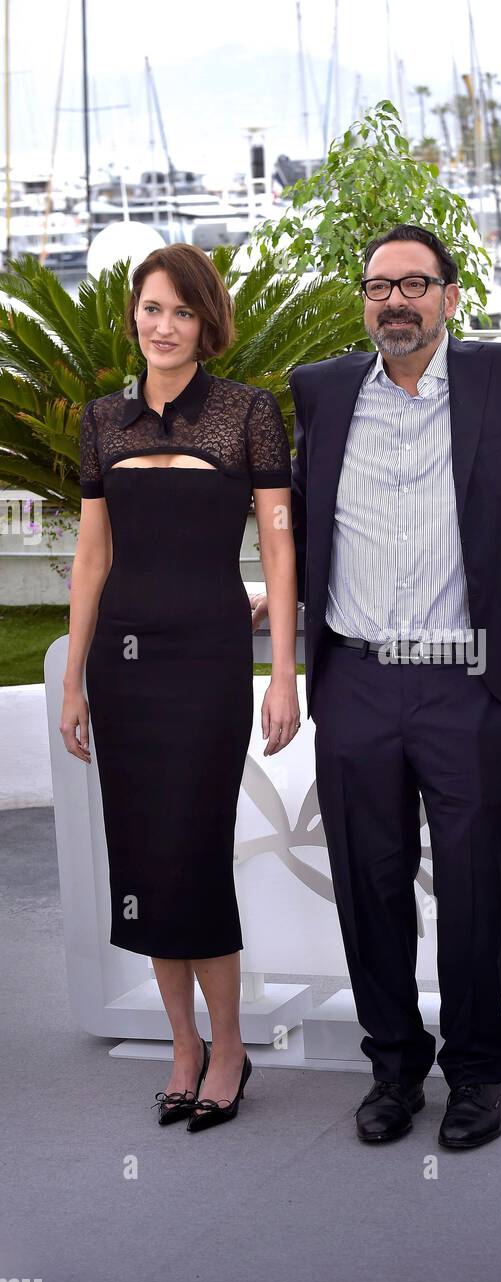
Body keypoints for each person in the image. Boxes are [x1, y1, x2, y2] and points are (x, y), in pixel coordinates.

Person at [251, 223, 501, 1148]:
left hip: (469, 683)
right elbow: (296, 523)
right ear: (364, 299)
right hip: (354, 681)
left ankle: (476, 1073)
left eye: (415, 284)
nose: (396, 300)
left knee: (473, 884)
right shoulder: (320, 392)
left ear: (449, 296)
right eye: (379, 285)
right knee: (367, 882)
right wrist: (266, 599)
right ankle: (392, 1066)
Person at [62, 244, 299, 1131]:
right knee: (145, 855)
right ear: (134, 316)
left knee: (194, 849)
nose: (163, 326)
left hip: (207, 662)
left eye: (182, 312)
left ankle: (229, 1048)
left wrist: (282, 672)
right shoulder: (101, 419)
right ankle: (182, 1048)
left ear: (207, 323)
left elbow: (277, 544)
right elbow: (92, 556)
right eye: (150, 309)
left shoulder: (247, 413)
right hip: (123, 663)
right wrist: (79, 679)